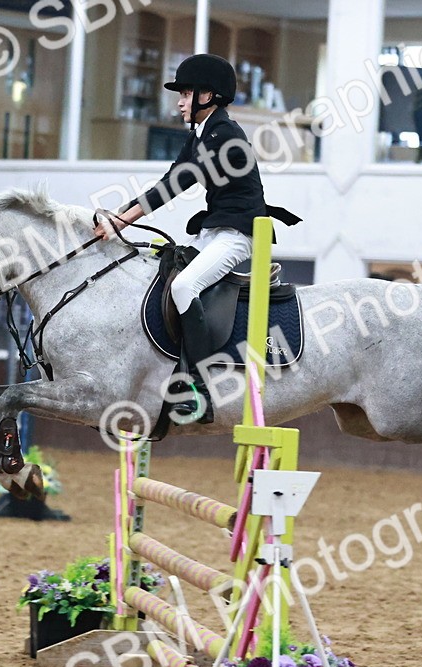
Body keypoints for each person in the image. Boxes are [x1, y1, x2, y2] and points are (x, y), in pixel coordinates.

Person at [93, 53, 298, 425]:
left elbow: (173, 187)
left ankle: (199, 387)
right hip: (213, 231)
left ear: (209, 96)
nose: (179, 101)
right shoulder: (200, 135)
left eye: (186, 93)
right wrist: (118, 215)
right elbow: (164, 181)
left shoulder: (225, 134)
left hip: (238, 234)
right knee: (163, 273)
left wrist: (121, 221)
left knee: (185, 286)